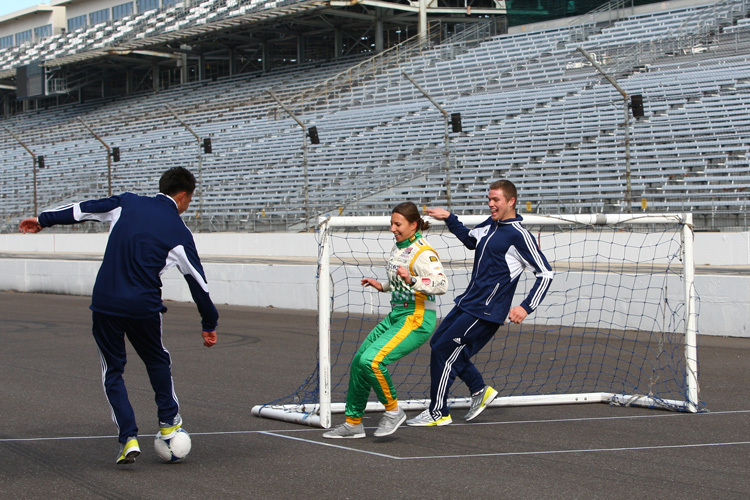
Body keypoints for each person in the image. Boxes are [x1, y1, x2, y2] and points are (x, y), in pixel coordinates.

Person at [19, 166, 219, 464]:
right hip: (143, 306)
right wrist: (209, 323)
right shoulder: (179, 232)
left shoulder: (127, 202)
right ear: (183, 196)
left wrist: (42, 220)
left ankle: (128, 438)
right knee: (157, 360)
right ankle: (168, 422)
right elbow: (198, 283)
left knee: (113, 371)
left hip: (105, 302)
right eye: (190, 200)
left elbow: (82, 210)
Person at [406, 180, 553, 427]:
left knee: (445, 350)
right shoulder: (490, 224)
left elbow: (546, 273)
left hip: (487, 310)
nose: (491, 204)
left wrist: (526, 307)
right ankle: (478, 389)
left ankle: (438, 412)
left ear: (511, 201)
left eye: (496, 200)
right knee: (439, 345)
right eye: (489, 199)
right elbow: (470, 240)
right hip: (468, 303)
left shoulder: (519, 236)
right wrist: (449, 218)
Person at [323, 202, 449, 439]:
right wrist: (382, 286)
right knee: (360, 362)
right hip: (397, 314)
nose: (392, 228)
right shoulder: (400, 248)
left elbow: (441, 284)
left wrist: (413, 281)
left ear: (413, 225)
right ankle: (353, 424)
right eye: (391, 223)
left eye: (397, 224)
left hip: (417, 317)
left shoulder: (424, 252)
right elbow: (401, 278)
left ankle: (393, 411)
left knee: (372, 361)